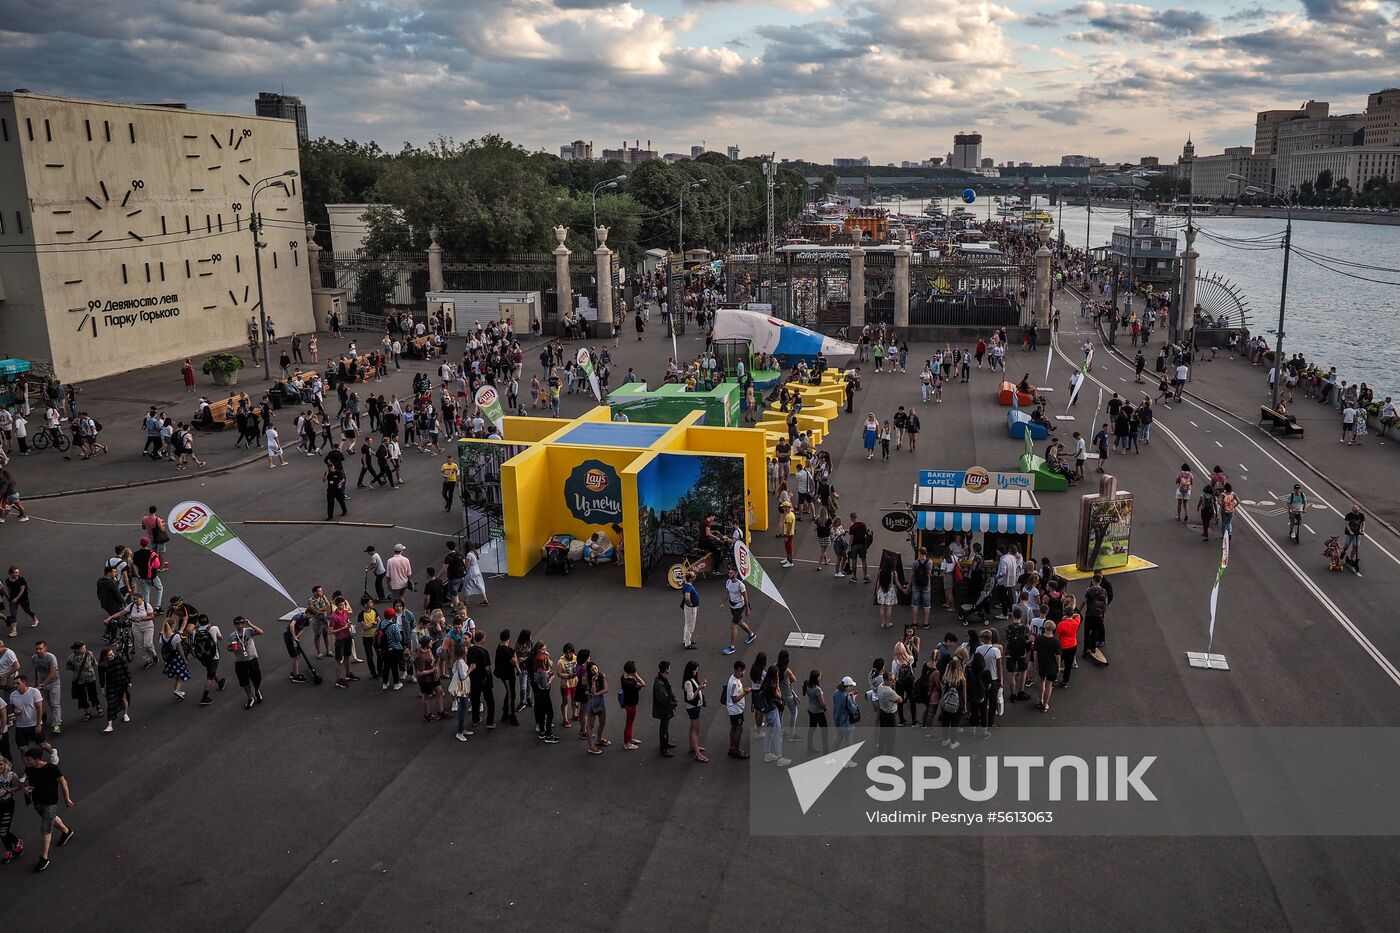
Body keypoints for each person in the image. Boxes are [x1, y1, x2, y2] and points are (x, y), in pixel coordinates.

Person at [21, 746, 73, 873]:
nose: (27, 762)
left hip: (50, 802)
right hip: (37, 802)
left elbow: (63, 782)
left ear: (37, 759)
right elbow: (28, 780)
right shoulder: (29, 768)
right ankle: (66, 831)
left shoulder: (51, 768)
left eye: (29, 760)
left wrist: (67, 798)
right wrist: (27, 788)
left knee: (46, 829)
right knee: (51, 819)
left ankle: (44, 857)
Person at [228, 616, 264, 710]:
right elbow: (231, 648)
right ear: (234, 625)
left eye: (241, 623)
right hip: (240, 661)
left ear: (243, 623)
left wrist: (250, 624)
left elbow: (261, 632)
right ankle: (250, 697)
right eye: (237, 624)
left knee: (257, 678)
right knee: (244, 682)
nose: (239, 625)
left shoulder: (249, 631)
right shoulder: (232, 635)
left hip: (252, 659)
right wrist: (232, 648)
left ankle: (256, 691)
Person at [722, 567, 756, 656]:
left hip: (739, 606)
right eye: (729, 572)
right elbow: (727, 593)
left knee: (733, 624)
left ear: (736, 574)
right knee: (740, 622)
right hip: (732, 605)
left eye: (731, 573)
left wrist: (747, 609)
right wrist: (723, 603)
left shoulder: (740, 585)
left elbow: (745, 597)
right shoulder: (728, 582)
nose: (729, 574)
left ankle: (731, 647)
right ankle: (751, 634)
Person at [65, 642, 100, 724]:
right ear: (76, 650)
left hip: (90, 678)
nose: (84, 649)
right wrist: (77, 671)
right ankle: (87, 712)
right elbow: (69, 667)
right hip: (79, 680)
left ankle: (98, 707)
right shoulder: (71, 658)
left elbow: (94, 663)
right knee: (82, 697)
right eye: (82, 649)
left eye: (84, 648)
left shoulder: (89, 654)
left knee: (93, 694)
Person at [936, 656, 966, 749]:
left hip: (946, 702)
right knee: (955, 723)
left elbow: (942, 691)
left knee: (945, 722)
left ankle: (945, 740)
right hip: (958, 704)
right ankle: (953, 742)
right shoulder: (962, 680)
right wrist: (964, 705)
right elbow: (964, 694)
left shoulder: (945, 678)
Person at [682, 660, 708, 763]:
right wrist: (699, 688)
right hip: (693, 708)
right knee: (696, 730)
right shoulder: (688, 682)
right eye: (696, 670)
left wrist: (701, 686)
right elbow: (691, 697)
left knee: (693, 727)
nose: (697, 671)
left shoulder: (691, 680)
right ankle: (697, 753)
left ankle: (693, 746)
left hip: (695, 707)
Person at [724, 660, 750, 760]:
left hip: (735, 710)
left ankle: (732, 747)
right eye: (743, 671)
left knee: (734, 727)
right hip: (736, 710)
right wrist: (745, 693)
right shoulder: (734, 683)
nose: (744, 673)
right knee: (739, 729)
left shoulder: (735, 679)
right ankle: (737, 750)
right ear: (739, 670)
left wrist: (743, 690)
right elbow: (734, 699)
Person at [1055, 595, 1080, 687]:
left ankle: (1054, 678)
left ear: (1065, 613)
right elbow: (1077, 615)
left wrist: (1064, 618)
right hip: (1073, 645)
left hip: (1063, 646)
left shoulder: (1062, 624)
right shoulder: (1076, 621)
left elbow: (1057, 634)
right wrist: (1071, 614)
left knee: (1057, 663)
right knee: (1068, 665)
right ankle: (1065, 681)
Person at [680, 571, 700, 649]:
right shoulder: (688, 587)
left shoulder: (686, 583)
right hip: (691, 608)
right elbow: (687, 597)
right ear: (691, 579)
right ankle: (688, 643)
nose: (695, 577)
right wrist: (690, 604)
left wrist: (695, 572)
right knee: (690, 626)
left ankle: (686, 640)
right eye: (693, 576)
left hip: (687, 608)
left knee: (687, 623)